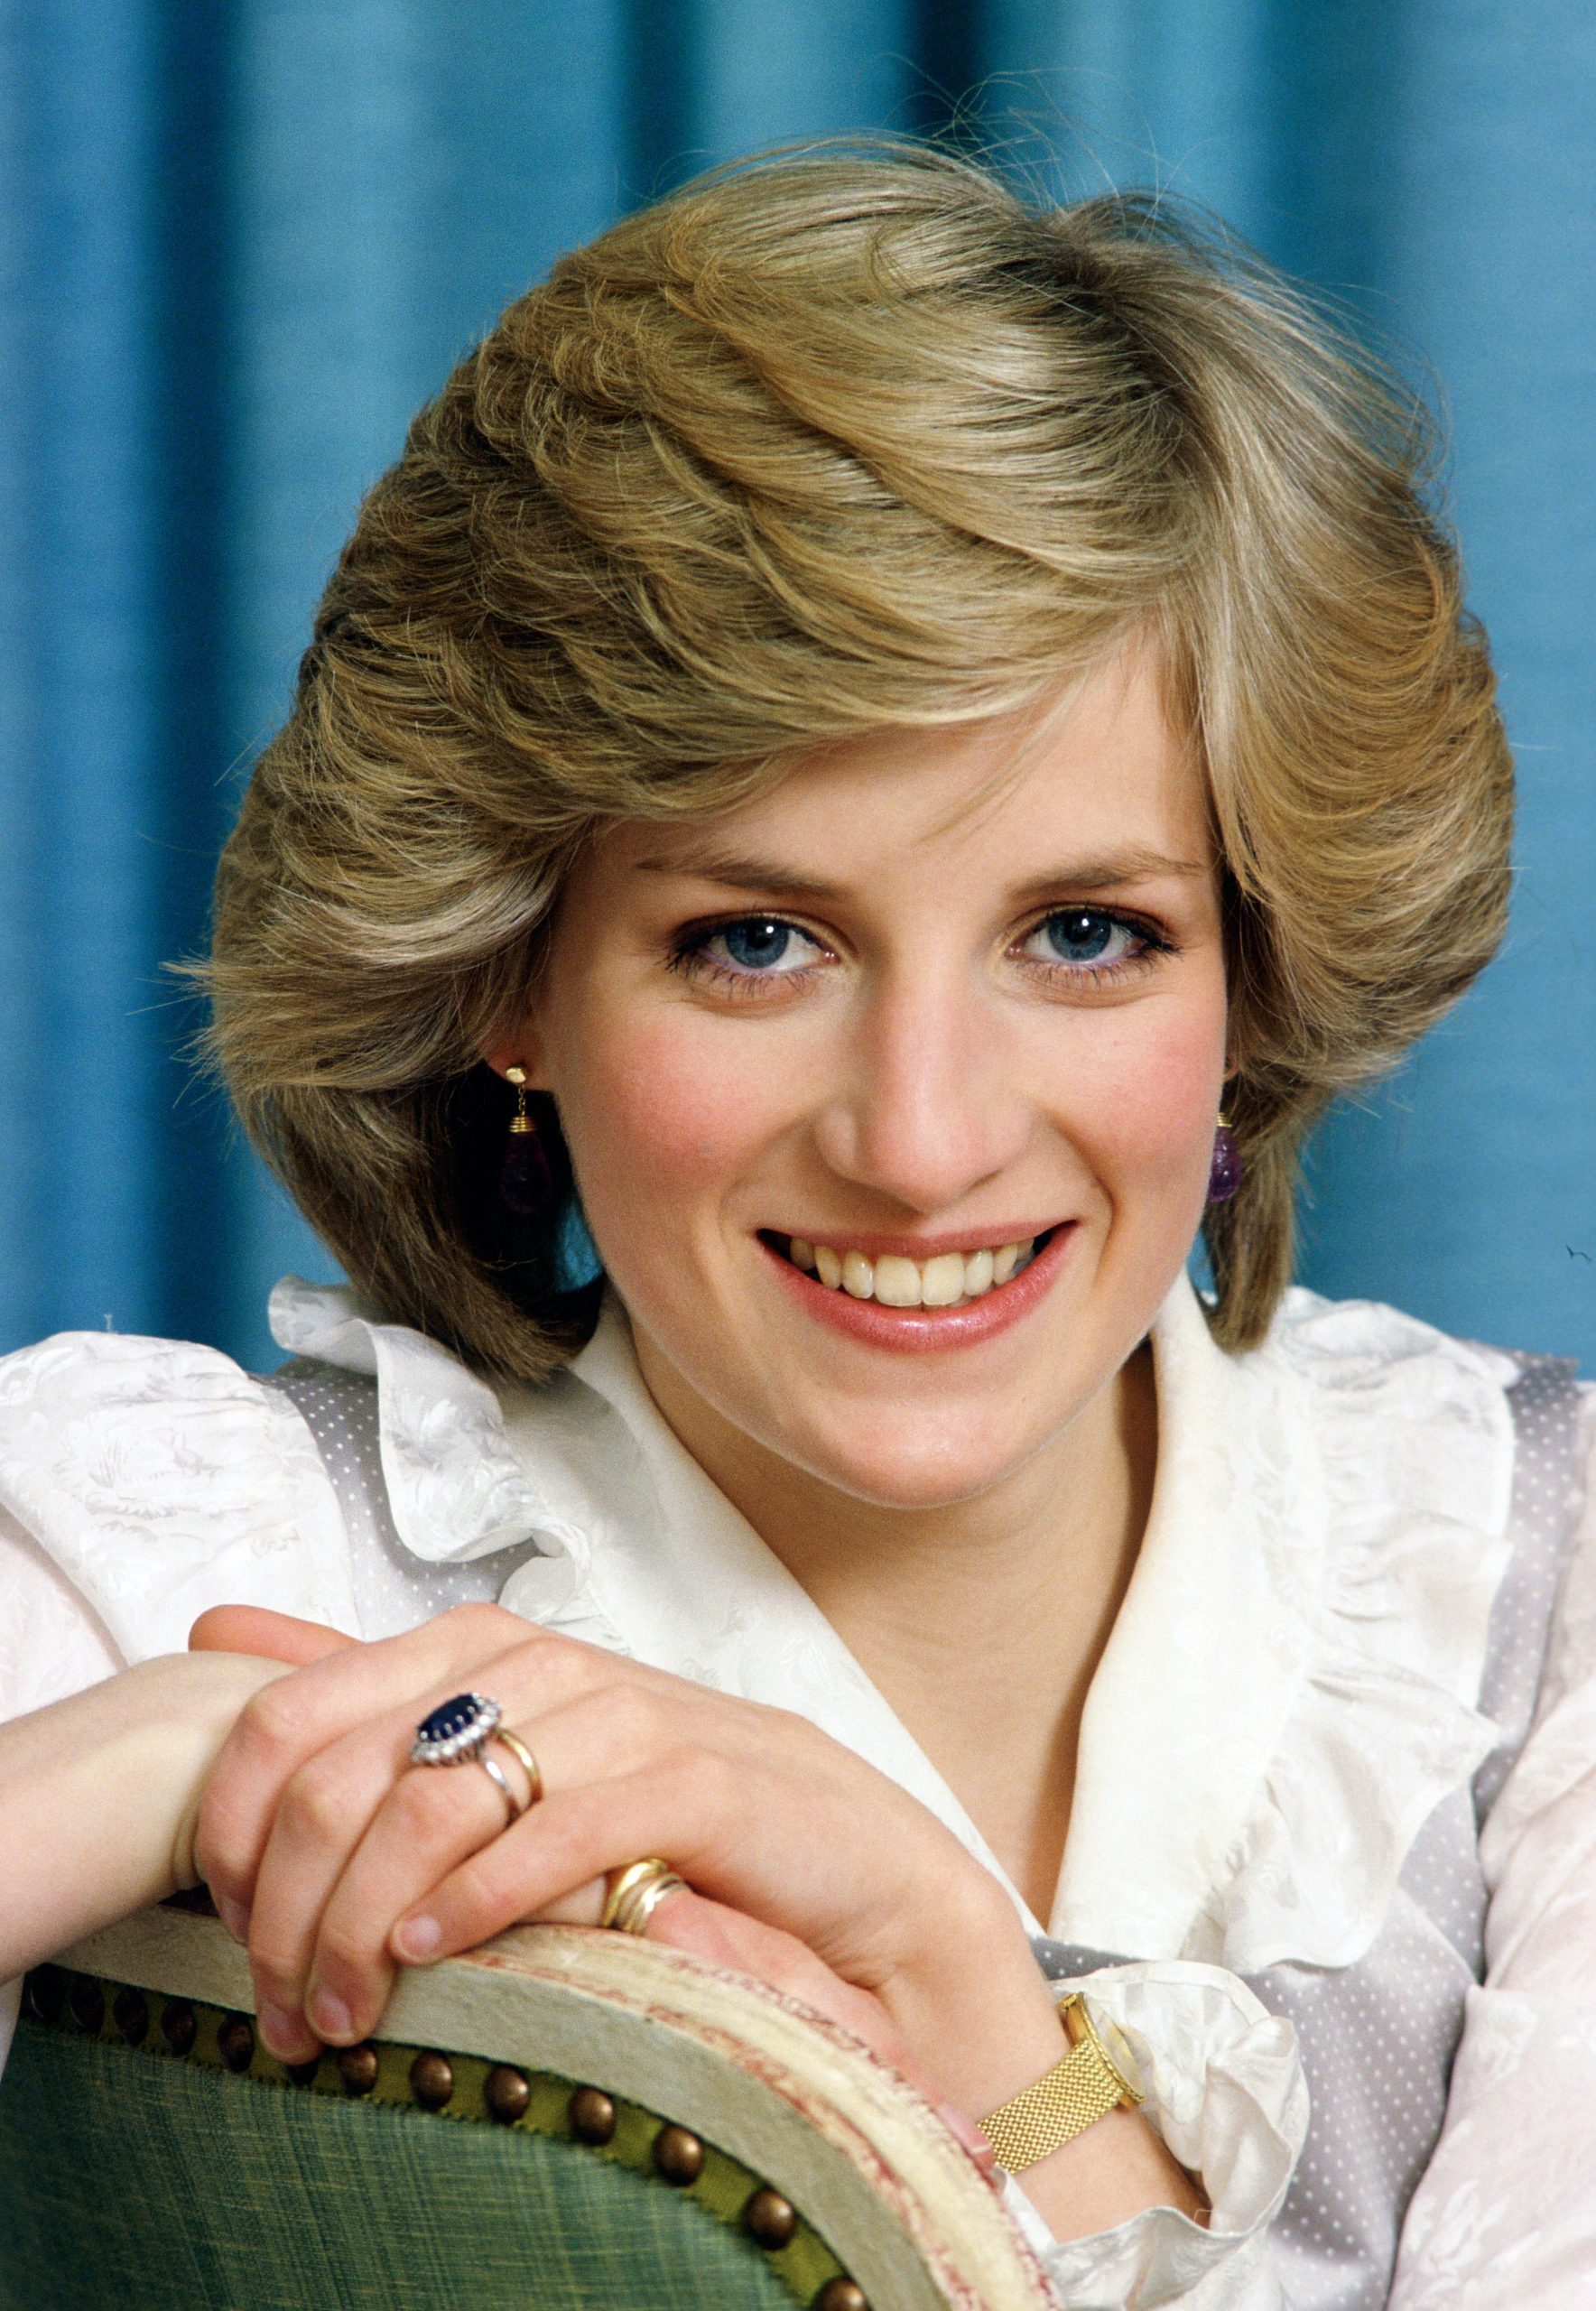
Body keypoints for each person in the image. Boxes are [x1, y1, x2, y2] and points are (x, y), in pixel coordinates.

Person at [1, 144, 1591, 2307]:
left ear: (1253, 981)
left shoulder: (1537, 1587)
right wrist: (185, 1744)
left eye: (1085, 932)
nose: (921, 1141)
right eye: (756, 937)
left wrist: (958, 1989)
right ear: (510, 981)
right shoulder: (178, 1562)